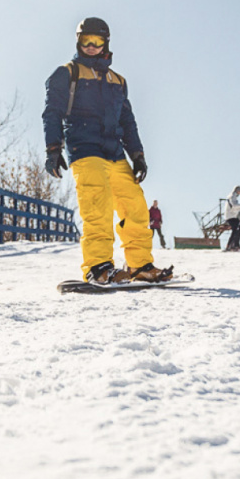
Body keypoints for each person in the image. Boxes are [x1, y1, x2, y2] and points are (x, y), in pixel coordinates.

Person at [43, 16, 169, 284]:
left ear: (106, 43)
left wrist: (137, 155)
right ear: (78, 42)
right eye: (85, 40)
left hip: (114, 152)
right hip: (84, 147)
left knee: (135, 207)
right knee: (97, 206)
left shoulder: (118, 81)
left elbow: (127, 121)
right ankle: (99, 266)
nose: (91, 46)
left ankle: (140, 265)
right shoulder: (67, 73)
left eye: (97, 41)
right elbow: (52, 112)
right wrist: (53, 148)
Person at [224, 184, 240, 251]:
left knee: (239, 228)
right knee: (237, 229)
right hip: (230, 216)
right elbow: (234, 206)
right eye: (239, 191)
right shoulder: (232, 196)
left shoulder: (234, 197)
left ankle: (234, 245)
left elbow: (237, 207)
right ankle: (232, 245)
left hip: (232, 216)